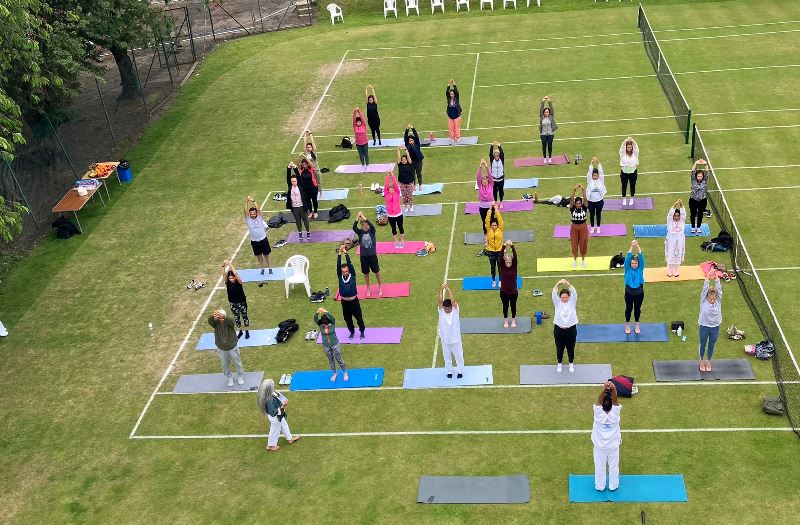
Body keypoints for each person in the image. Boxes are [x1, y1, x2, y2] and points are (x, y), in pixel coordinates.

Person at [592, 381, 621, 492]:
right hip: (613, 446)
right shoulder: (615, 414)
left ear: (603, 405)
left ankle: (600, 486)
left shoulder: (598, 413)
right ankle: (613, 485)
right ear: (611, 406)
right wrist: (612, 388)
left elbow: (599, 400)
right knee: (614, 467)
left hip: (600, 446)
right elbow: (616, 400)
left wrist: (605, 388)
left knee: (599, 466)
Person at [257, 378, 300, 452]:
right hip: (275, 417)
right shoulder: (269, 399)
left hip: (279, 415)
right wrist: (283, 406)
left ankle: (290, 439)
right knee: (274, 431)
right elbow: (273, 412)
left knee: (284, 425)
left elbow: (279, 397)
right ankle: (270, 445)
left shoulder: (271, 392)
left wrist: (284, 401)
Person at [207, 309, 245, 387]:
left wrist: (224, 316)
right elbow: (210, 321)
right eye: (219, 318)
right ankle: (229, 377)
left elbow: (232, 321)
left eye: (222, 317)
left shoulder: (229, 323)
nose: (221, 319)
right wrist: (213, 316)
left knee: (237, 362)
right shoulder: (216, 324)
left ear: (225, 316)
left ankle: (240, 376)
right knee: (225, 365)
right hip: (221, 348)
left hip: (232, 347)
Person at [337, 245, 366, 339]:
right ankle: (352, 332)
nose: (345, 272)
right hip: (344, 302)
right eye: (343, 271)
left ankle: (362, 331)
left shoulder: (352, 275)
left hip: (354, 301)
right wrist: (339, 254)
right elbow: (338, 266)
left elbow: (349, 264)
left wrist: (345, 252)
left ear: (349, 271)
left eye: (346, 271)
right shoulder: (340, 276)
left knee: (358, 317)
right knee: (347, 319)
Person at [352, 211, 382, 297]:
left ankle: (380, 286)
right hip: (364, 257)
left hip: (372, 256)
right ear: (361, 226)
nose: (365, 227)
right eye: (363, 226)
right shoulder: (360, 232)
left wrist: (364, 217)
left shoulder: (372, 231)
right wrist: (358, 217)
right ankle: (368, 288)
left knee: (376, 271)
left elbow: (372, 225)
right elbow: (354, 227)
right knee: (366, 273)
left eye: (366, 225)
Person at [438, 283, 464, 378]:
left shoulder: (455, 311)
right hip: (445, 339)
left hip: (455, 339)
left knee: (459, 356)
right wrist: (441, 290)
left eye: (448, 308)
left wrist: (448, 290)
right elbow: (440, 302)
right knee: (447, 356)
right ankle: (449, 371)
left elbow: (453, 301)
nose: (447, 310)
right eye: (445, 308)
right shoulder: (441, 311)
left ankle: (460, 371)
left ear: (451, 307)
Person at [314, 308, 348, 382]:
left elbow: (332, 317)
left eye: (326, 324)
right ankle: (334, 373)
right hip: (326, 346)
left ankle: (345, 372)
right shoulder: (320, 324)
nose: (325, 325)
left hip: (335, 344)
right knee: (330, 359)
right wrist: (317, 312)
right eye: (323, 324)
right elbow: (315, 318)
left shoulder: (332, 323)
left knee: (338, 358)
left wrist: (325, 311)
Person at [699, 271, 723, 372]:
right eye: (710, 298)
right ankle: (701, 361)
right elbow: (705, 290)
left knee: (711, 345)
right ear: (707, 297)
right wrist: (708, 278)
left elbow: (720, 291)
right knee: (703, 344)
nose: (712, 300)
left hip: (715, 327)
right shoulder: (703, 301)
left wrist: (717, 278)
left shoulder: (718, 301)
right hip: (704, 326)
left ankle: (708, 361)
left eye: (714, 299)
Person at [552, 279, 578, 373]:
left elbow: (574, 292)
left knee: (571, 347)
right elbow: (553, 293)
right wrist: (558, 284)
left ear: (569, 297)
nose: (564, 299)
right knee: (559, 348)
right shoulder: (557, 302)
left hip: (571, 329)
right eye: (562, 297)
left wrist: (568, 284)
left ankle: (571, 363)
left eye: (566, 297)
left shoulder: (572, 302)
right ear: (560, 297)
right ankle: (559, 364)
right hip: (559, 330)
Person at [222, 260, 250, 339]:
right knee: (237, 318)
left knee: (245, 317)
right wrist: (224, 266)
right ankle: (240, 331)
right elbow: (224, 275)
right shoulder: (228, 283)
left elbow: (236, 274)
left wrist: (230, 265)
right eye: (230, 278)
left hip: (242, 302)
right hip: (233, 303)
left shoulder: (239, 282)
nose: (231, 279)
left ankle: (247, 331)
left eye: (232, 278)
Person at [244, 196, 271, 274]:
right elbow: (245, 210)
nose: (253, 215)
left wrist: (253, 201)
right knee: (259, 256)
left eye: (254, 214)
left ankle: (270, 268)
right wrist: (246, 201)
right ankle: (262, 268)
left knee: (266, 255)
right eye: (251, 214)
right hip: (254, 241)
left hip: (263, 239)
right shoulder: (248, 219)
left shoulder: (259, 217)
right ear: (249, 214)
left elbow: (258, 209)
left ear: (256, 213)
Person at [623, 240, 645, 335]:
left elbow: (641, 257)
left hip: (639, 293)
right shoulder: (627, 268)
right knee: (628, 309)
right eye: (632, 263)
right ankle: (627, 325)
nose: (634, 265)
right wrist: (632, 246)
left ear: (638, 264)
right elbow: (628, 257)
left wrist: (638, 246)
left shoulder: (640, 268)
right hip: (629, 292)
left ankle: (637, 325)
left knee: (637, 309)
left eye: (635, 263)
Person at [286, 165, 311, 240]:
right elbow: (288, 177)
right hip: (294, 207)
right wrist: (289, 168)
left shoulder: (300, 185)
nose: (293, 182)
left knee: (305, 221)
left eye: (295, 181)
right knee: (298, 221)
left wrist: (295, 167)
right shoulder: (290, 186)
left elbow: (299, 176)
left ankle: (308, 232)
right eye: (292, 181)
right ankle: (300, 232)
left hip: (302, 206)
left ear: (297, 181)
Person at [499, 241, 518, 328]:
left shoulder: (514, 267)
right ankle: (506, 321)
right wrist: (504, 245)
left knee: (513, 306)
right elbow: (500, 257)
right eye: (507, 262)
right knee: (505, 306)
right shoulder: (502, 267)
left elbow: (515, 257)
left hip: (513, 292)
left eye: (510, 262)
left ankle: (513, 320)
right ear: (505, 262)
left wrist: (512, 246)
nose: (508, 264)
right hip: (504, 292)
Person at [665, 199, 686, 277]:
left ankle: (676, 271)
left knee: (678, 255)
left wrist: (681, 205)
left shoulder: (682, 222)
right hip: (671, 242)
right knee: (670, 255)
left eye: (678, 216)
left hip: (680, 242)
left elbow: (684, 214)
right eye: (675, 216)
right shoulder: (670, 222)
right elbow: (669, 215)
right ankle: (669, 271)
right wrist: (674, 205)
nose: (676, 217)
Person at [569, 184, 589, 268]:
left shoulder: (584, 207)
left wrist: (583, 189)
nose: (578, 204)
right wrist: (574, 189)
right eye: (577, 203)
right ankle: (574, 260)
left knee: (583, 243)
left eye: (579, 203)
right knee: (574, 243)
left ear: (581, 203)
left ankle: (583, 260)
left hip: (583, 227)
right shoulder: (572, 208)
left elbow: (585, 198)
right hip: (574, 227)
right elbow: (571, 199)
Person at [485, 204, 504, 288]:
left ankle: (500, 281)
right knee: (493, 267)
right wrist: (490, 209)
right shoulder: (488, 229)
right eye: (492, 225)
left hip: (499, 251)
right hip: (491, 251)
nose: (494, 227)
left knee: (500, 266)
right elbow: (487, 220)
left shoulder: (500, 229)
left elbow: (499, 219)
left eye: (495, 225)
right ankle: (493, 281)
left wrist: (496, 209)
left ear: (497, 225)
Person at [586, 157, 607, 234]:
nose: (594, 176)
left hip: (599, 201)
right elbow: (589, 172)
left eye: (596, 175)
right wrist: (591, 163)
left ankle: (598, 227)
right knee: (592, 214)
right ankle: (592, 227)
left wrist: (598, 162)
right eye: (593, 175)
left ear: (598, 175)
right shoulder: (589, 180)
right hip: (591, 201)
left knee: (598, 214)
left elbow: (601, 172)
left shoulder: (601, 180)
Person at [384, 172, 405, 248]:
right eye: (390, 190)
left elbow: (396, 185)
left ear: (394, 190)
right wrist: (387, 177)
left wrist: (392, 176)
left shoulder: (397, 193)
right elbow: (385, 186)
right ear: (388, 191)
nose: (391, 191)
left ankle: (402, 239)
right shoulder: (386, 195)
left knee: (400, 227)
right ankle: (396, 240)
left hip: (399, 214)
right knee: (393, 228)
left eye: (392, 190)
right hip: (390, 215)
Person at [689, 159, 709, 235]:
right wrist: (696, 163)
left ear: (702, 176)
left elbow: (707, 172)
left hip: (702, 201)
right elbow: (692, 172)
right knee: (693, 214)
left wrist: (705, 164)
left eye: (701, 176)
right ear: (696, 176)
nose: (699, 177)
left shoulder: (705, 180)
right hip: (693, 200)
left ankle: (699, 227)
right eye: (698, 176)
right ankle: (693, 227)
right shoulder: (693, 180)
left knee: (700, 214)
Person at [619, 137, 639, 206]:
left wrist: (632, 140)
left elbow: (636, 147)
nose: (629, 148)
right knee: (624, 186)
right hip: (624, 173)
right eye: (628, 147)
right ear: (626, 148)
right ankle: (624, 199)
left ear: (632, 147)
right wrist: (625, 141)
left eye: (630, 147)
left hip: (633, 173)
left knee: (632, 186)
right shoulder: (623, 154)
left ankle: (631, 199)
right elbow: (621, 148)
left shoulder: (635, 154)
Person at [302, 130, 322, 199]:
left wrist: (310, 133)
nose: (308, 148)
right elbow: (304, 142)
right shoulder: (306, 152)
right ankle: (312, 194)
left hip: (316, 169)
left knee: (318, 181)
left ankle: (320, 193)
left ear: (312, 147)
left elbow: (313, 142)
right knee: (312, 183)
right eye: (307, 147)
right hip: (310, 170)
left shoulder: (314, 151)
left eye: (310, 147)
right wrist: (305, 134)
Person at [404, 125, 424, 190]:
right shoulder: (407, 145)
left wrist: (412, 128)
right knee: (412, 174)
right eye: (409, 141)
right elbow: (405, 137)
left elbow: (416, 136)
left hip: (418, 161)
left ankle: (420, 185)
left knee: (419, 173)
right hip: (411, 162)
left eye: (412, 140)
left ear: (414, 140)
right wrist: (407, 129)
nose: (410, 142)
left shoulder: (417, 144)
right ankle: (414, 185)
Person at [476, 159, 494, 234]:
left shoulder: (491, 184)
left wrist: (486, 165)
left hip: (490, 206)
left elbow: (490, 175)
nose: (484, 182)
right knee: (484, 222)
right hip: (482, 207)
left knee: (491, 221)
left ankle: (492, 234)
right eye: (483, 181)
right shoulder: (480, 185)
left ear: (488, 181)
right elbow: (478, 177)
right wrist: (480, 166)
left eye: (486, 181)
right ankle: (486, 235)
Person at [539, 96, 558, 164]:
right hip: (543, 134)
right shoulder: (542, 117)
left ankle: (550, 157)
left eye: (547, 112)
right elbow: (541, 109)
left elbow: (552, 109)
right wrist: (543, 101)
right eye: (545, 112)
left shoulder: (551, 116)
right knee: (544, 146)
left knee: (550, 145)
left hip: (550, 134)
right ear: (544, 113)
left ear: (549, 113)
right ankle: (544, 158)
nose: (546, 113)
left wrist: (549, 101)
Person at [396, 146, 416, 213]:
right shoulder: (400, 165)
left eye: (405, 160)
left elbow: (408, 156)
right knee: (404, 196)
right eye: (402, 160)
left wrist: (405, 149)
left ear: (407, 160)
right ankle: (406, 206)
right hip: (402, 183)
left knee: (409, 195)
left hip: (410, 182)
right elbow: (398, 157)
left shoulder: (410, 164)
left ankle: (411, 206)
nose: (404, 161)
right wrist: (398, 149)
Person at [445, 79, 462, 144]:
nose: (451, 95)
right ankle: (452, 137)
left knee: (457, 127)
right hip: (450, 115)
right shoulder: (448, 99)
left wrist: (454, 83)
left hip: (457, 115)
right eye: (450, 94)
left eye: (452, 94)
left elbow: (457, 92)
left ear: (454, 94)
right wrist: (449, 83)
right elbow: (446, 92)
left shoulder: (456, 98)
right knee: (451, 128)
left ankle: (457, 137)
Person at [489, 142, 505, 209]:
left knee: (501, 191)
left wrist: (499, 146)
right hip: (494, 179)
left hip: (501, 179)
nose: (496, 157)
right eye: (495, 155)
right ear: (494, 156)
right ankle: (495, 202)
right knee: (494, 191)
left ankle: (501, 202)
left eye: (497, 155)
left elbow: (502, 153)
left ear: (499, 156)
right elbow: (490, 154)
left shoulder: (501, 159)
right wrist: (492, 146)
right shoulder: (492, 160)